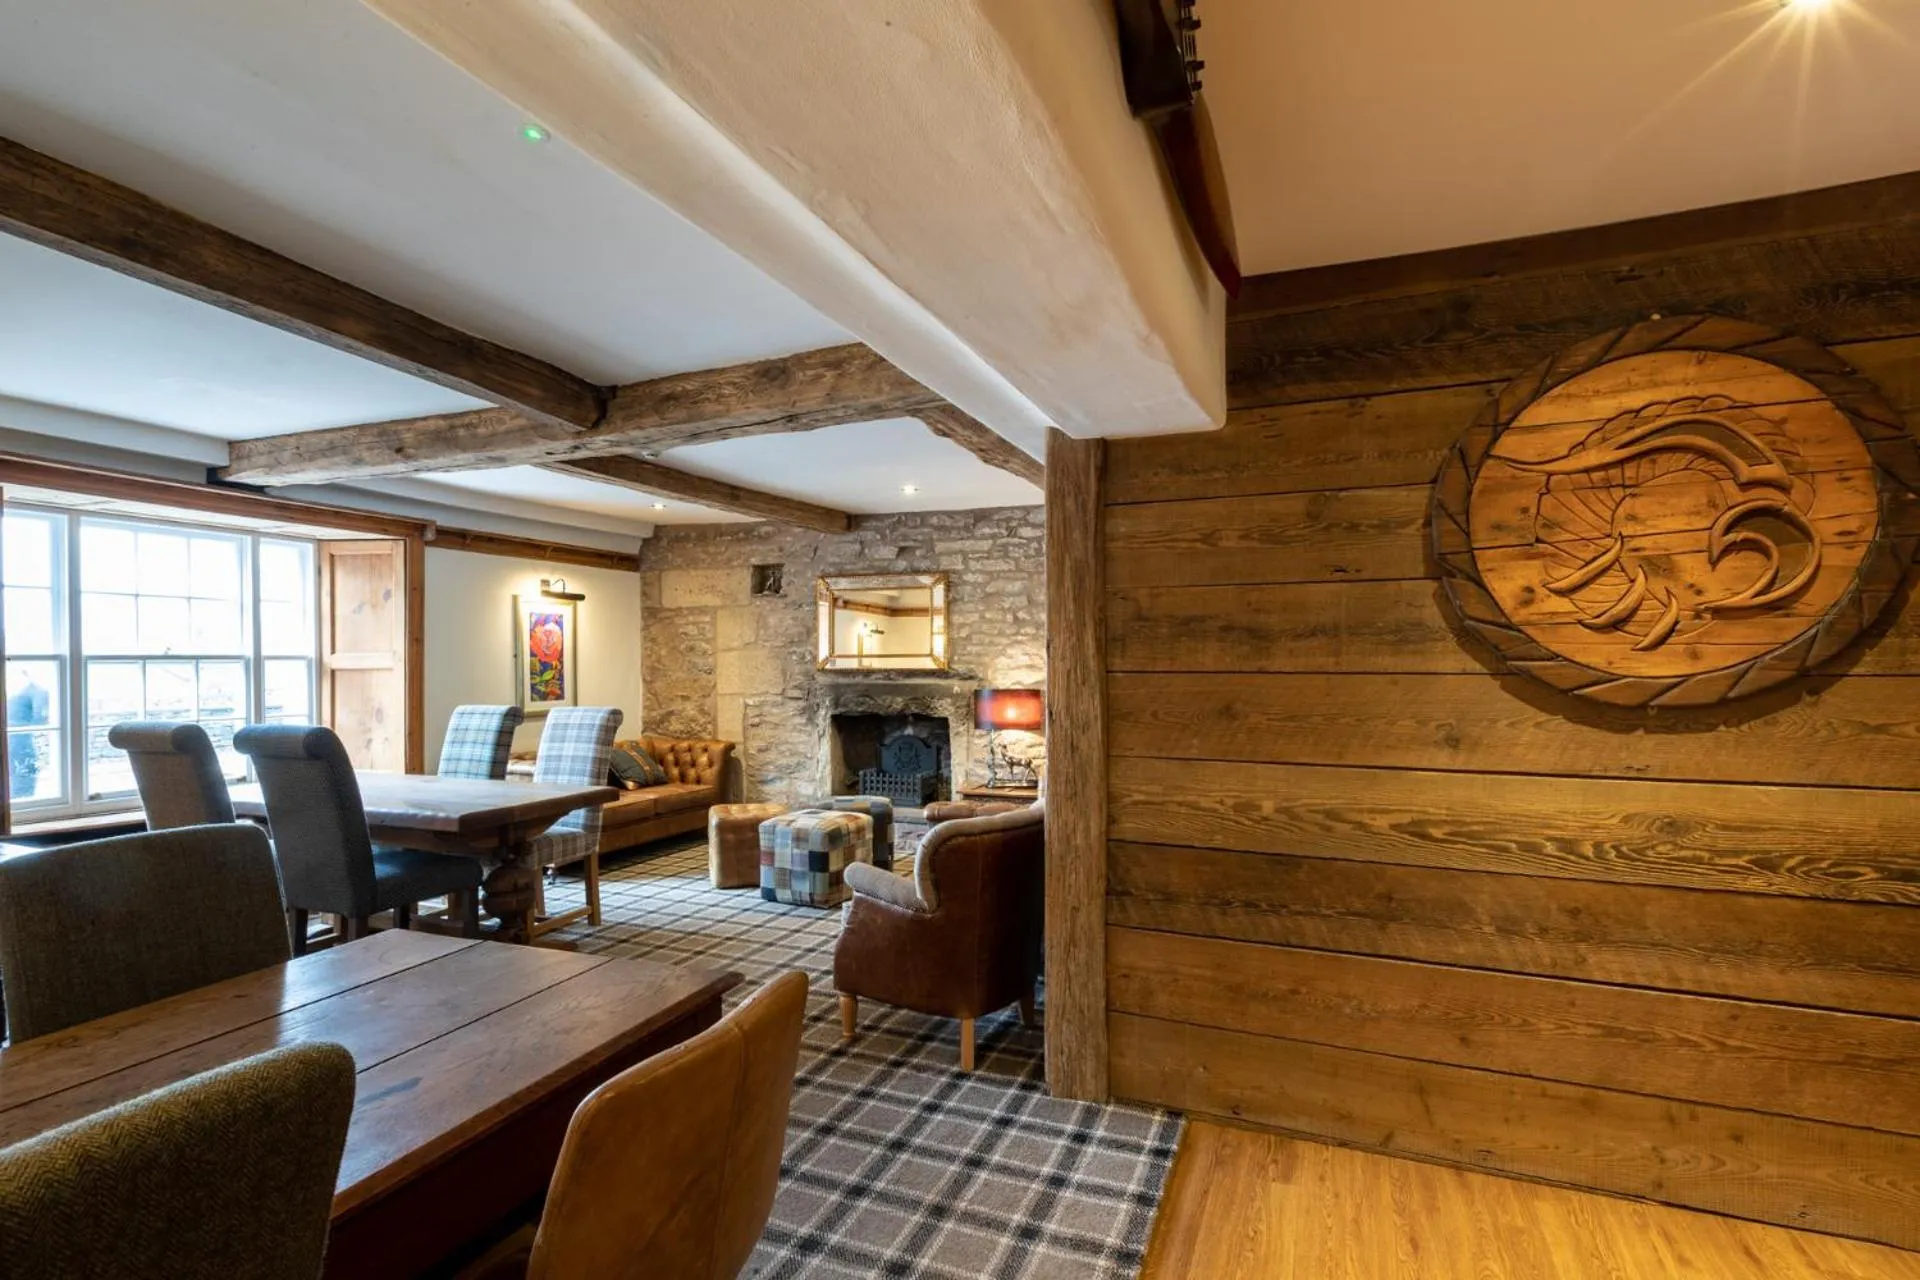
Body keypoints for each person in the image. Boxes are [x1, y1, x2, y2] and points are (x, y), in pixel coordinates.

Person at [7, 670, 49, 801]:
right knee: (23, 769)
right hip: (20, 738)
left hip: (13, 736)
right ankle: (23, 800)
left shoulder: (17, 693)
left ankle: (19, 800)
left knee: (16, 770)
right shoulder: (37, 691)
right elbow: (39, 718)